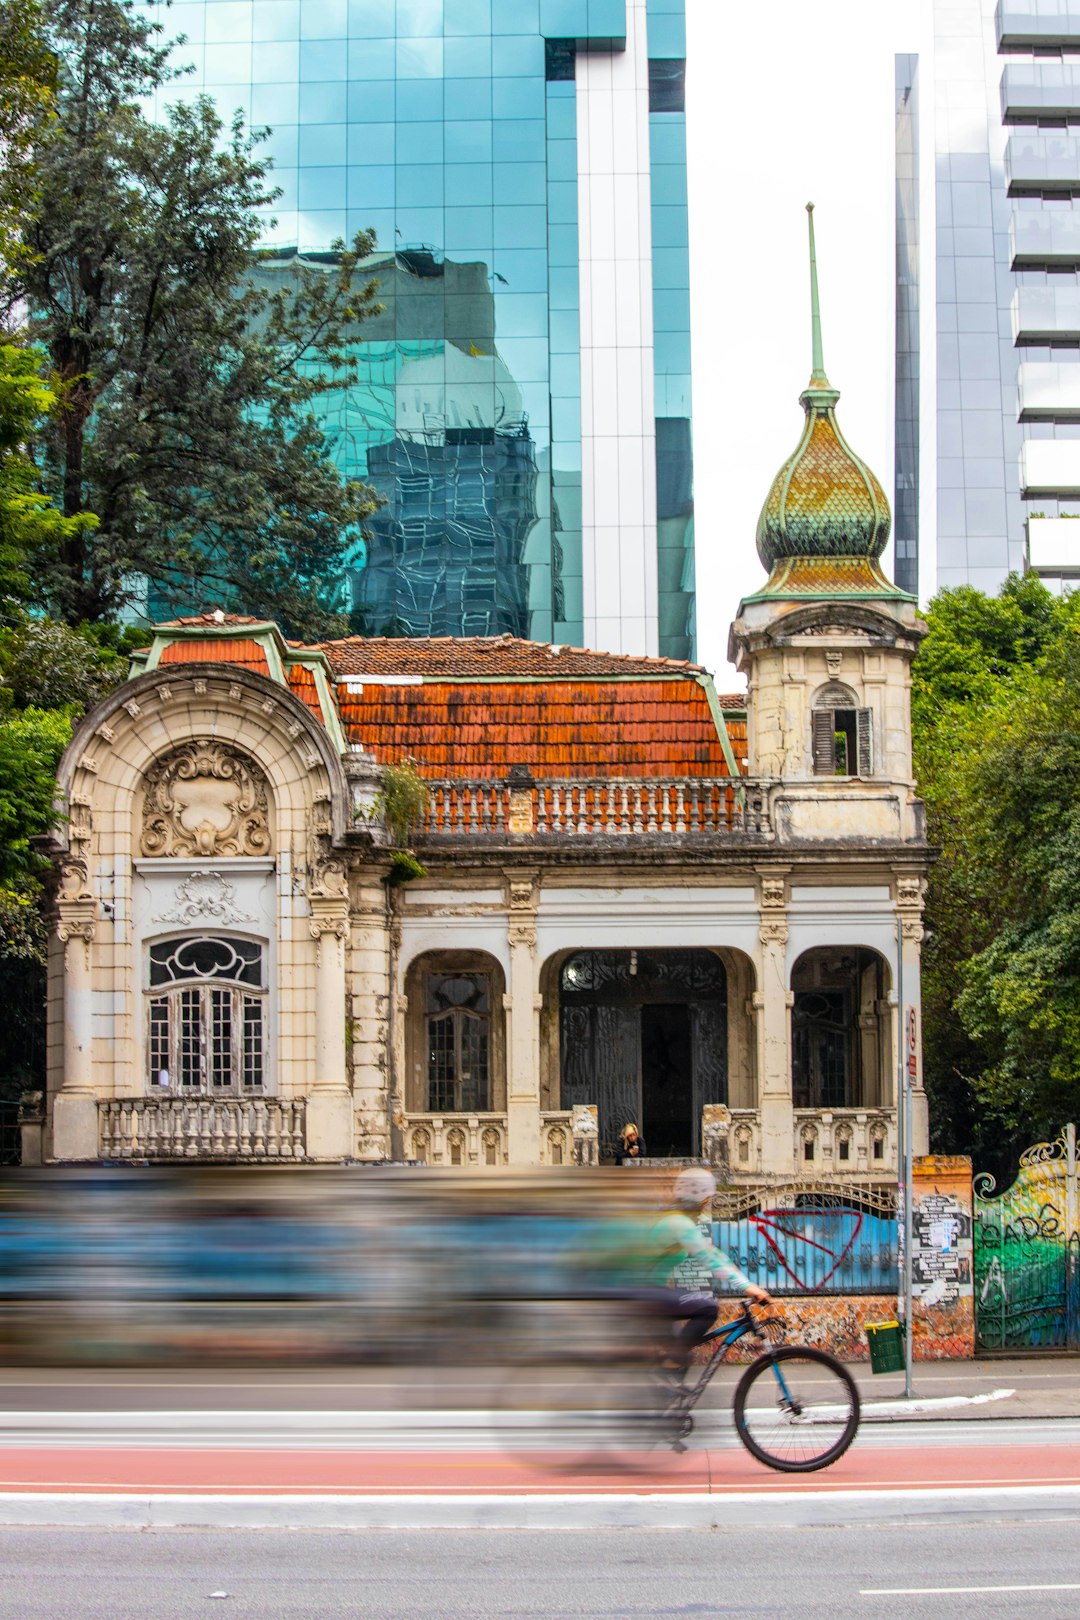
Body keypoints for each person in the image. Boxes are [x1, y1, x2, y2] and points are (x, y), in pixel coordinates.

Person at [644, 1167, 772, 1377]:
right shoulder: (678, 1223)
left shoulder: (680, 1221)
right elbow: (708, 1257)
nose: (707, 1206)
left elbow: (713, 1253)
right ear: (699, 1199)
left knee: (679, 1355)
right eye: (706, 1200)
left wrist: (743, 1280)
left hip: (652, 1293)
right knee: (707, 1309)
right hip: (648, 1294)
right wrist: (747, 1286)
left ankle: (672, 1404)